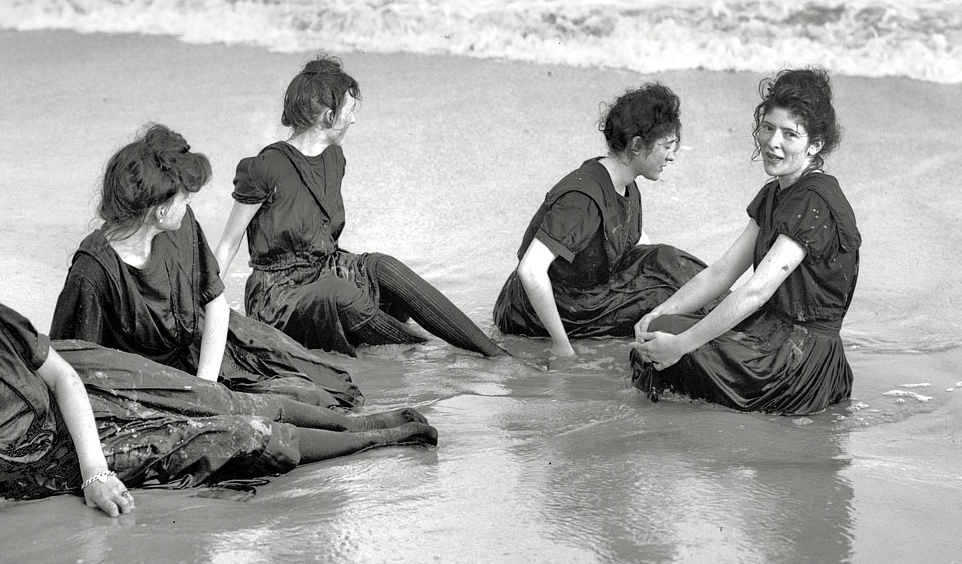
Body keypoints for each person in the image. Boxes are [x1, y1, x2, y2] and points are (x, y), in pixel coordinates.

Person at [0, 290, 437, 564]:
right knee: (243, 438)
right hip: (55, 463)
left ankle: (357, 422)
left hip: (87, 390)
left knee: (218, 399)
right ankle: (381, 437)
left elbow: (64, 378)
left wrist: (96, 472)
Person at [53, 125, 362, 409]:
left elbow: (215, 303)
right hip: (156, 386)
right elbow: (77, 372)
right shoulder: (92, 273)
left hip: (209, 350)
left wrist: (206, 386)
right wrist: (199, 400)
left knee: (335, 388)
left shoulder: (180, 224)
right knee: (300, 404)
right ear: (159, 211)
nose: (190, 199)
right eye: (185, 196)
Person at [218, 57, 504, 358]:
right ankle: (431, 351)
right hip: (277, 296)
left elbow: (321, 234)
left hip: (323, 270)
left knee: (383, 266)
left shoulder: (334, 159)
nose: (353, 120)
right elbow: (228, 244)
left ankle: (491, 352)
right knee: (340, 294)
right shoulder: (265, 167)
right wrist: (207, 307)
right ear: (328, 116)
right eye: (349, 111)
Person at [630, 68, 860, 416]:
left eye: (789, 134)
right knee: (657, 329)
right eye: (768, 128)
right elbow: (722, 272)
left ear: (815, 144)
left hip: (799, 362)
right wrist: (658, 313)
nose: (772, 142)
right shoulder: (776, 193)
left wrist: (680, 345)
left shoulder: (814, 199)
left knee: (667, 344)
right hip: (773, 336)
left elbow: (756, 291)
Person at [494, 82, 705, 358]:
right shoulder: (582, 199)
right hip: (535, 314)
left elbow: (634, 241)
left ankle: (731, 313)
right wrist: (562, 348)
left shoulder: (625, 183)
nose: (672, 156)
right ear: (637, 145)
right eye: (666, 146)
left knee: (666, 264)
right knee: (661, 296)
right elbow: (530, 270)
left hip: (584, 295)